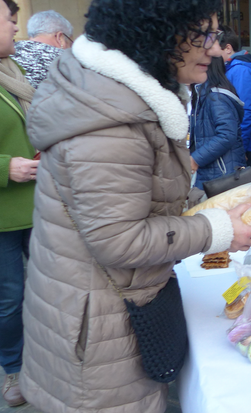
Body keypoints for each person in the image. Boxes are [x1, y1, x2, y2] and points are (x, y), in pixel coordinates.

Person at [20, 0, 251, 411]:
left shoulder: (119, 98)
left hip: (100, 312)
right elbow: (120, 238)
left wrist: (210, 209)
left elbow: (136, 201)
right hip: (98, 333)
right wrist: (216, 229)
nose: (213, 47)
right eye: (202, 33)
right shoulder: (110, 124)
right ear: (158, 33)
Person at [0, 0, 36, 407]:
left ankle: (46, 358)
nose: (16, 28)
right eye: (11, 20)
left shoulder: (16, 71)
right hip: (4, 214)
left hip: (38, 204)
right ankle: (14, 368)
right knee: (9, 299)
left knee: (48, 286)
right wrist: (5, 167)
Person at [190, 55, 248, 189]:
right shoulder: (205, 93)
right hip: (214, 171)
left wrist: (196, 159)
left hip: (221, 173)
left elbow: (227, 134)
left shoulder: (216, 97)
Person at [220, 26, 251, 171]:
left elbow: (247, 111)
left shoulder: (240, 70)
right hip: (241, 142)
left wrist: (240, 148)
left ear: (227, 48)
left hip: (244, 144)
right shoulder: (235, 68)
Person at [11, 10, 73, 88]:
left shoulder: (9, 54)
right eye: (70, 43)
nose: (70, 48)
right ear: (60, 38)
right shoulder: (62, 61)